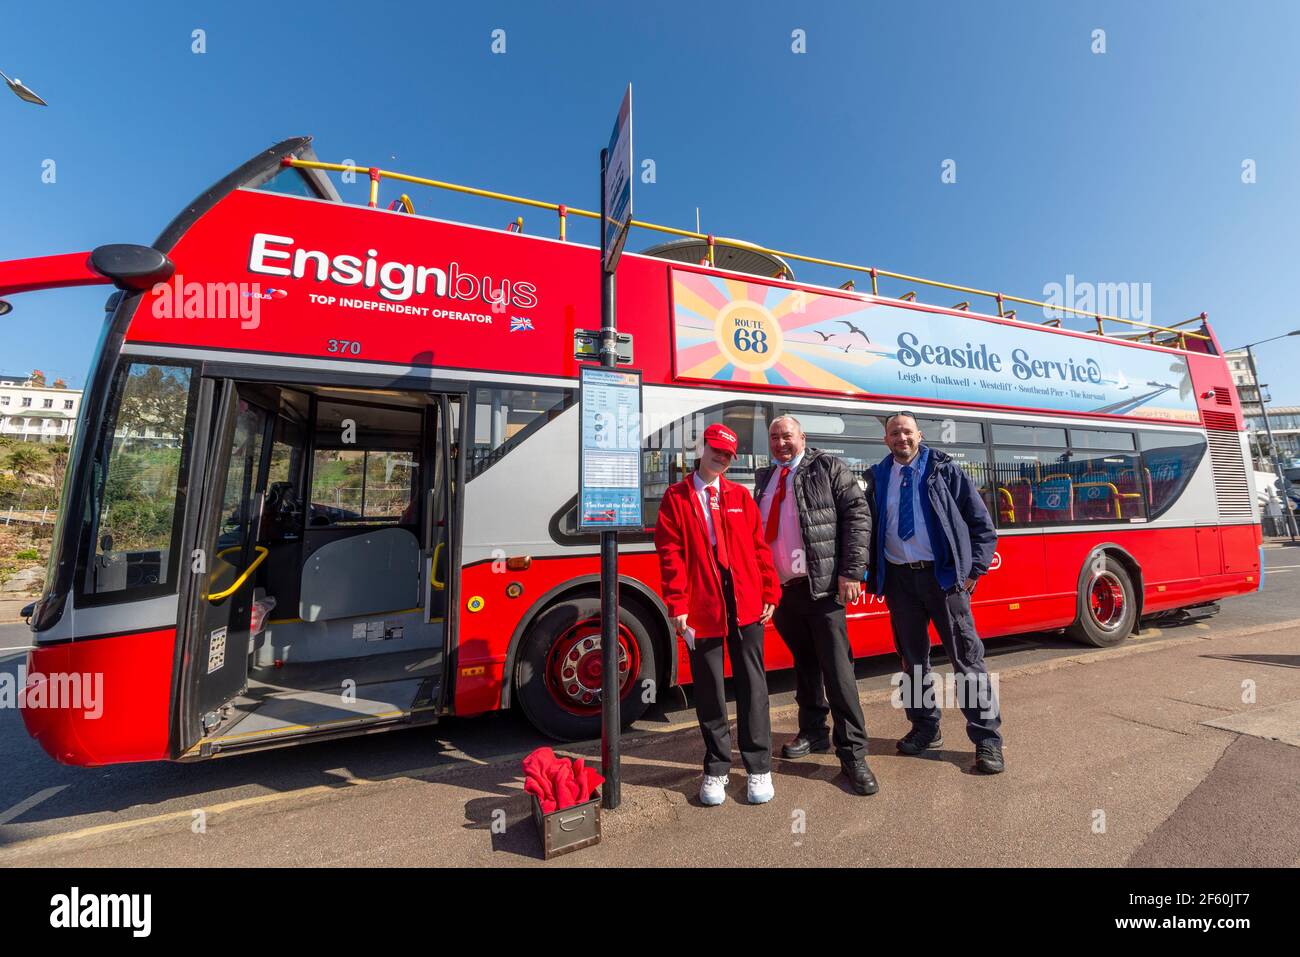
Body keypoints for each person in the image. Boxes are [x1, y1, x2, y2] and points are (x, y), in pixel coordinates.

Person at [868, 411, 1005, 774]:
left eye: (907, 431)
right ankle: (925, 728)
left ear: (920, 435)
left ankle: (987, 739)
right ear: (886, 440)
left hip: (943, 581)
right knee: (912, 662)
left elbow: (982, 526)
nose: (901, 438)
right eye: (894, 433)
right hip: (900, 581)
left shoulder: (945, 472)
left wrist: (972, 570)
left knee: (966, 660)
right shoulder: (878, 476)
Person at [654, 422, 781, 806]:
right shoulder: (676, 497)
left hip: (744, 600)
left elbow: (759, 548)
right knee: (709, 687)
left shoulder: (740, 495)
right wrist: (677, 604)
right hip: (701, 602)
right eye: (716, 450)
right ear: (701, 447)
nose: (721, 458)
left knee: (753, 685)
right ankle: (716, 768)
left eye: (727, 454)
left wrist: (770, 589)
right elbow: (670, 554)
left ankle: (759, 766)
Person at [754, 415, 878, 796]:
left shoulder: (827, 466)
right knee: (804, 666)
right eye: (774, 437)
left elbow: (858, 515)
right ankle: (813, 731)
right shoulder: (765, 478)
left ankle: (854, 755)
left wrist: (852, 571)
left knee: (838, 673)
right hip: (785, 591)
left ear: (801, 437)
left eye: (786, 435)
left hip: (822, 589)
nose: (780, 443)